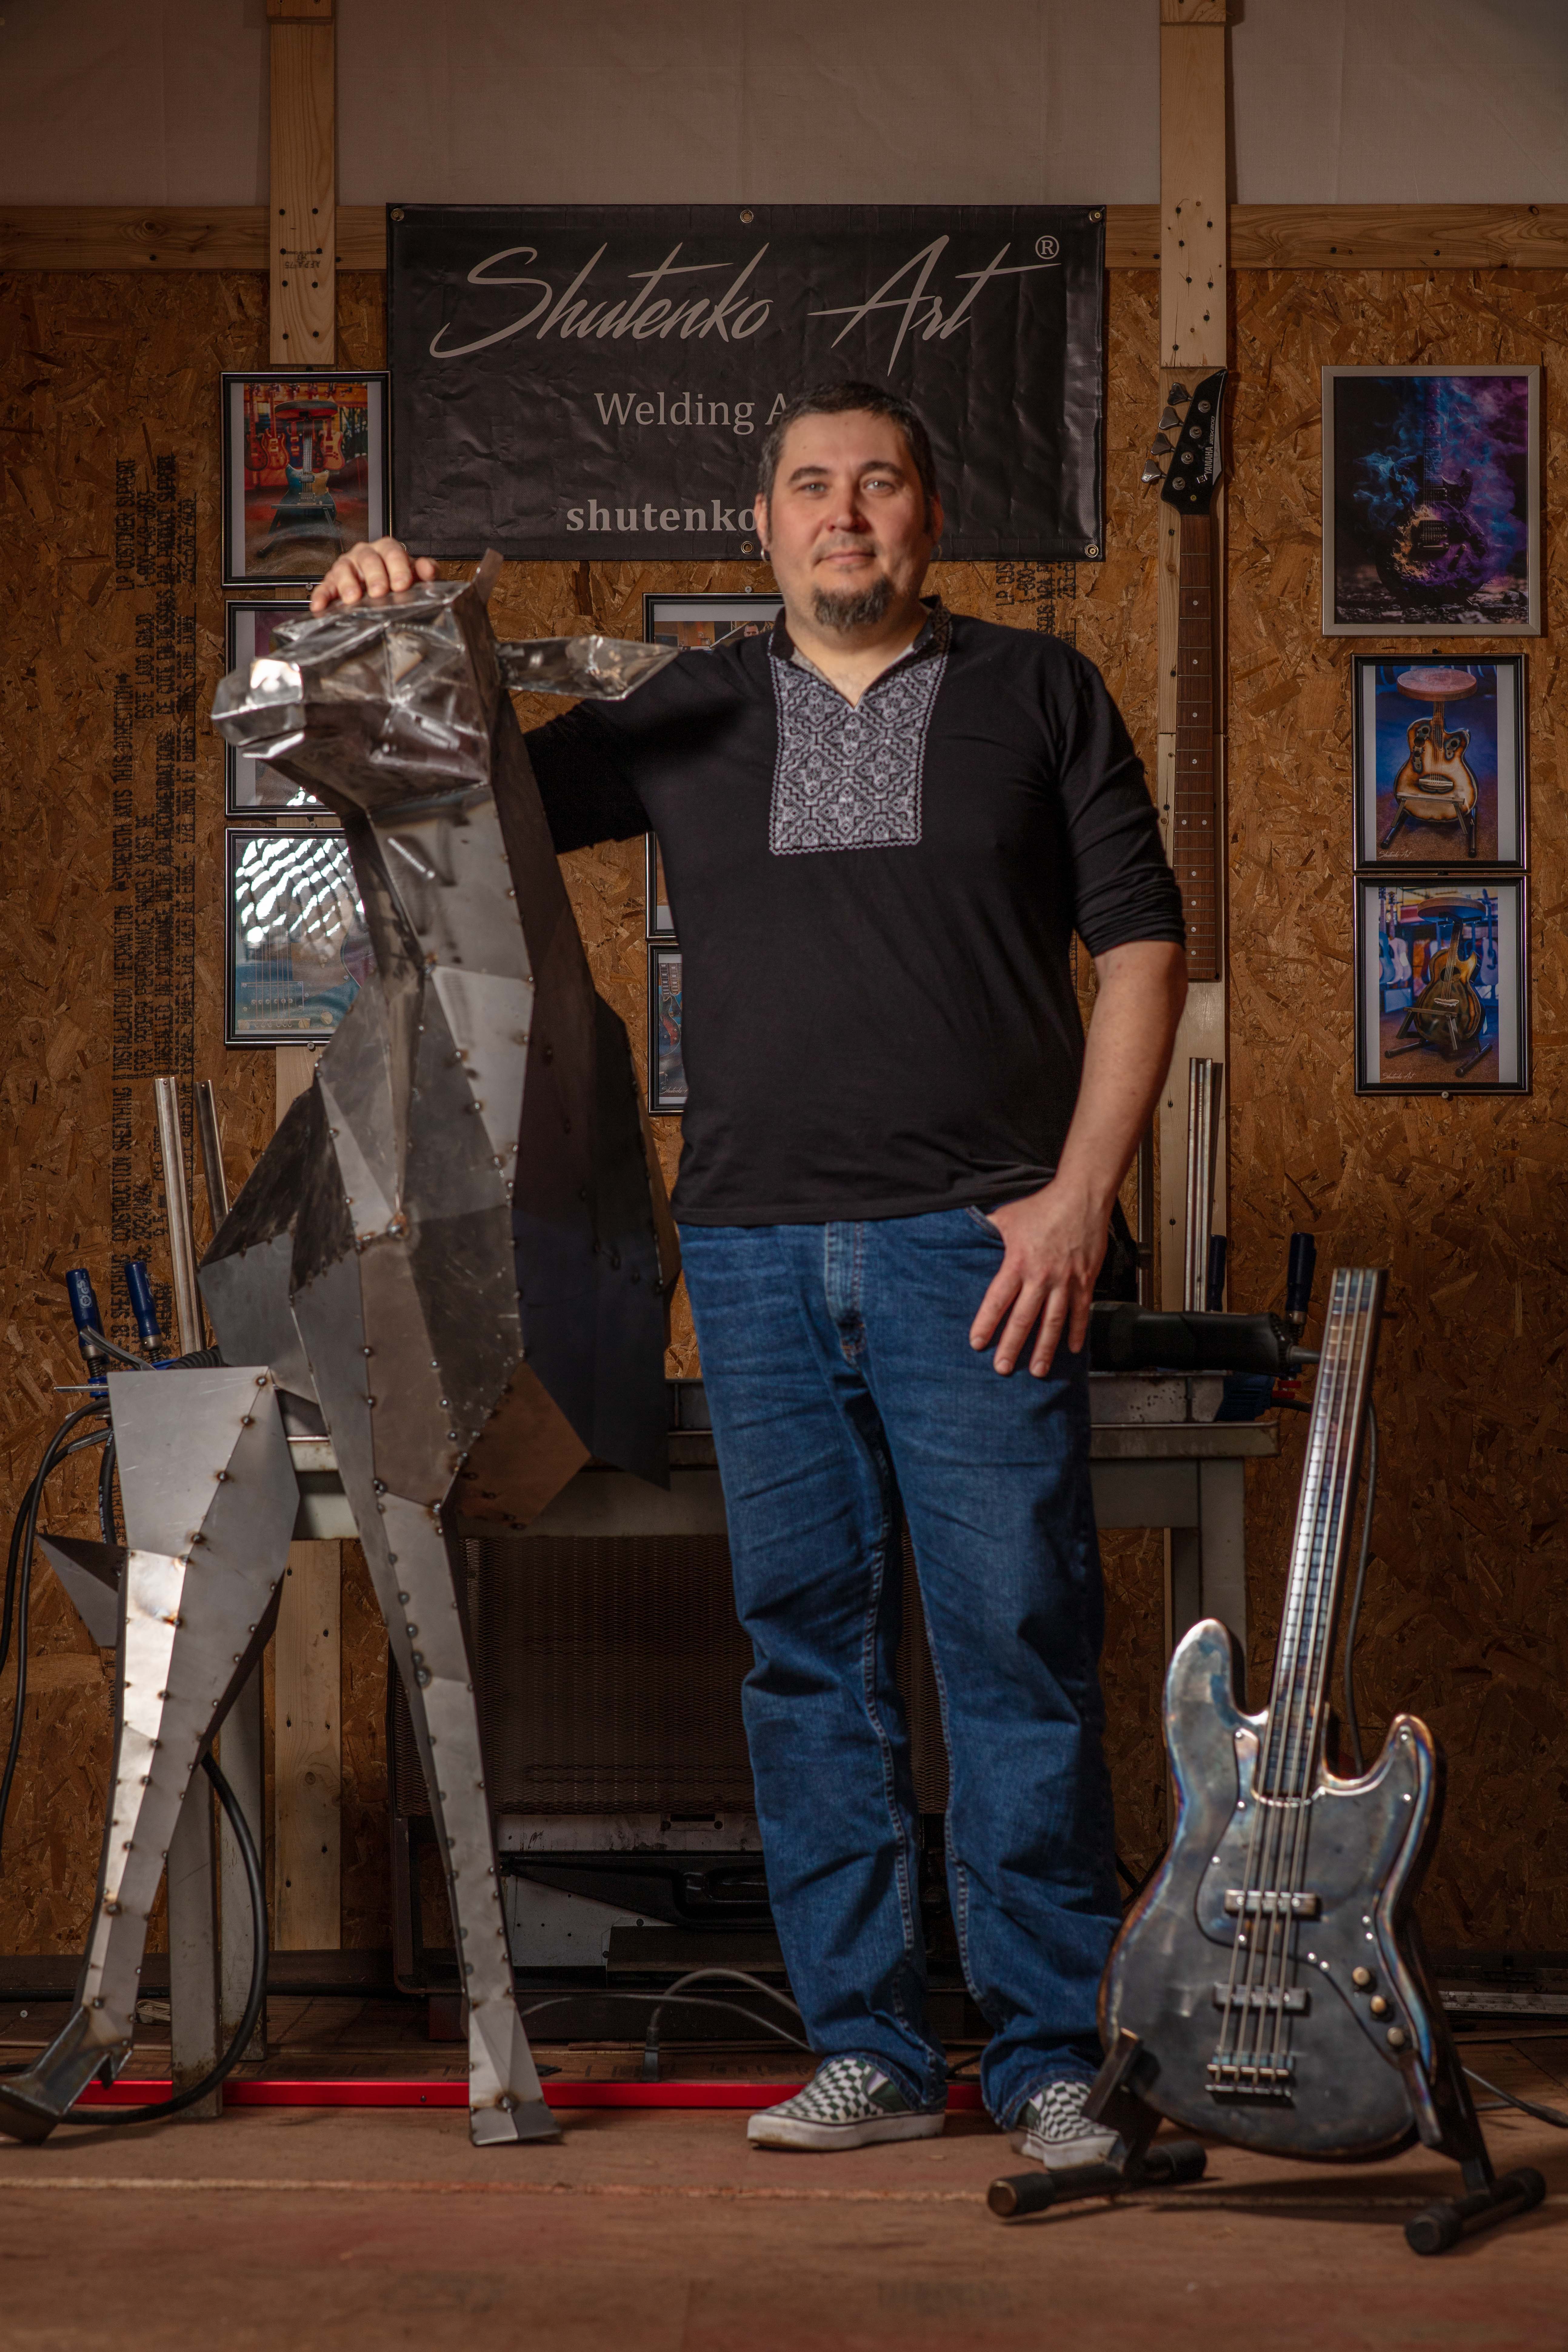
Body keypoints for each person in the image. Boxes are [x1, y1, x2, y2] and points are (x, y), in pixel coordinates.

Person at [310, 381, 1187, 2169]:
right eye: (809, 487)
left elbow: (1142, 949)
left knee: (1013, 1644)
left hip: (980, 1244)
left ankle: (1035, 2060)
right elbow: (436, 826)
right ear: (764, 525)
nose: (842, 513)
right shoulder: (691, 709)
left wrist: (1077, 1196)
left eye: (876, 483)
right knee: (808, 1659)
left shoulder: (1039, 693)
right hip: (755, 1246)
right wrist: (374, 639)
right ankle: (864, 2047)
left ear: (928, 516)